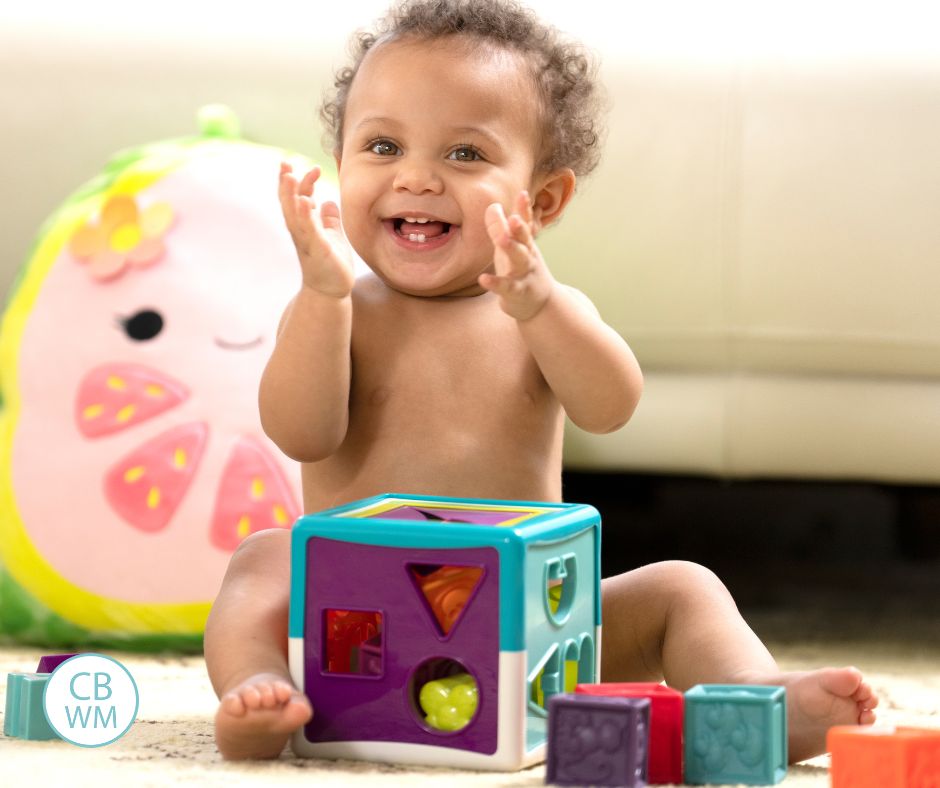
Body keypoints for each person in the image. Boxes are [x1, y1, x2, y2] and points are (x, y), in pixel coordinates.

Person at [204, 0, 878, 763]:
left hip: (529, 625)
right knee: (263, 559)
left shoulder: (541, 313)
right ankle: (261, 694)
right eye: (383, 146)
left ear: (542, 200)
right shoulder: (337, 310)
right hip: (359, 628)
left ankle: (753, 699)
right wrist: (322, 297)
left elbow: (612, 406)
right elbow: (300, 432)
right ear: (341, 165)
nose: (416, 177)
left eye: (464, 155)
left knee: (682, 588)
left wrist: (542, 307)